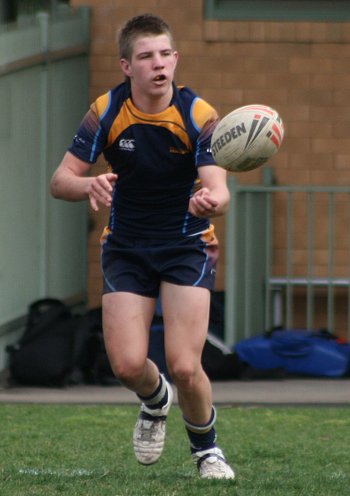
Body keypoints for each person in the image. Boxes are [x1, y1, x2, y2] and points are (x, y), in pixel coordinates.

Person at [50, 13, 234, 480]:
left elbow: (220, 188)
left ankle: (207, 452)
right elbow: (60, 181)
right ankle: (156, 402)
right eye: (146, 56)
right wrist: (87, 185)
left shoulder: (198, 115)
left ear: (176, 59)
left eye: (165, 54)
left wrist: (212, 201)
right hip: (127, 246)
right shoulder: (107, 110)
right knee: (130, 365)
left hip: (186, 245)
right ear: (126, 66)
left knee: (185, 365)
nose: (159, 64)